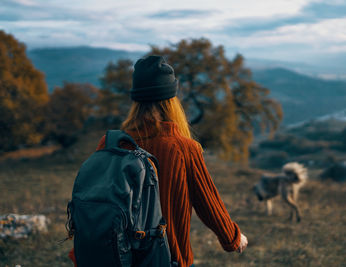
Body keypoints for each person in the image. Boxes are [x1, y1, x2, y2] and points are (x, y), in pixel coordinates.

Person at [69, 55, 248, 267]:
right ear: (171, 100)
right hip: (167, 258)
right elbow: (208, 203)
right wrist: (233, 238)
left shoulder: (112, 143)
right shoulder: (183, 148)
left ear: (136, 100)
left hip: (116, 255)